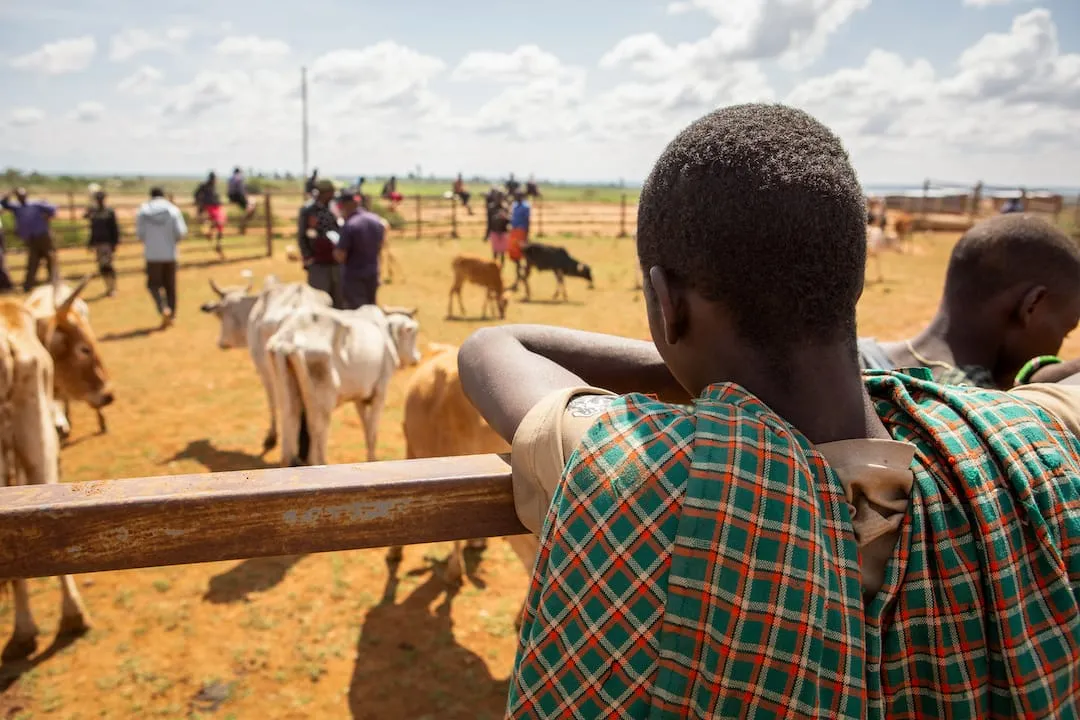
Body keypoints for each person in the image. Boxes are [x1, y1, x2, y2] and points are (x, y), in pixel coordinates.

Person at [458, 104, 1080, 718]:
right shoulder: (1025, 442)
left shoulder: (647, 472)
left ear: (665, 306)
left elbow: (495, 346)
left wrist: (689, 361)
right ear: (853, 282)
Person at [858, 214, 1080, 389]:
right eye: (1066, 330)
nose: (1060, 346)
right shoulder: (980, 417)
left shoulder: (855, 361)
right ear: (1031, 306)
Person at [135, 187, 187, 328]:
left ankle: (163, 308)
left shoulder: (143, 211)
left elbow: (140, 234)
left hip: (152, 255)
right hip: (170, 254)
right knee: (170, 286)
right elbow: (181, 232)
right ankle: (172, 314)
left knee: (153, 285)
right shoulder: (173, 210)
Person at [333, 189, 385, 309]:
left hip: (354, 277)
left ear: (346, 205)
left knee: (356, 313)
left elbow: (341, 255)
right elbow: (380, 245)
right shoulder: (376, 220)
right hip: (372, 273)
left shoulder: (350, 225)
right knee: (371, 309)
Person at [1, 187, 57, 292]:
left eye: (22, 195)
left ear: (26, 195)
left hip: (43, 236)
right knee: (32, 262)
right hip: (31, 239)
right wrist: (9, 193)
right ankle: (28, 286)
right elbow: (3, 203)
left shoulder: (36, 204)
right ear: (17, 197)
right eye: (18, 196)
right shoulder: (16, 207)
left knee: (50, 259)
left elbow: (53, 209)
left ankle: (53, 282)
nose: (21, 197)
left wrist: (48, 217)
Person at [297, 179, 342, 307]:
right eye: (332, 192)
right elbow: (302, 236)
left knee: (338, 298)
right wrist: (308, 257)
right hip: (317, 262)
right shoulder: (308, 210)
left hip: (335, 260)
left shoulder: (334, 208)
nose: (334, 194)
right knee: (319, 299)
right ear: (325, 193)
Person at [85, 189, 120, 297]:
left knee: (108, 265)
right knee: (101, 266)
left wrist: (114, 243)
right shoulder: (94, 212)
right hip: (98, 243)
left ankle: (113, 287)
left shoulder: (109, 212)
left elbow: (114, 228)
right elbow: (92, 228)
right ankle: (108, 287)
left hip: (107, 243)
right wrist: (91, 242)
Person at [194, 172, 225, 257]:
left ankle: (216, 242)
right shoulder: (204, 186)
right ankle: (211, 236)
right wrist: (200, 206)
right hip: (210, 207)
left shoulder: (213, 187)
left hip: (216, 207)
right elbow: (197, 195)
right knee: (218, 222)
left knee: (220, 224)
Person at [508, 191, 530, 290]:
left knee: (524, 257)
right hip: (514, 231)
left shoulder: (526, 206)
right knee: (515, 258)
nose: (516, 197)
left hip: (521, 232)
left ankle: (522, 280)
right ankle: (518, 279)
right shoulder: (514, 205)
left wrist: (526, 235)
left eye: (518, 195)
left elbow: (527, 220)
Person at [227, 167, 257, 234]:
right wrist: (245, 197)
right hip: (239, 197)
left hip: (231, 197)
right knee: (250, 207)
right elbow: (241, 190)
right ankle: (243, 224)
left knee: (248, 207)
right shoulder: (239, 178)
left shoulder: (230, 178)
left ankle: (243, 223)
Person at [488, 200, 510, 268]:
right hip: (495, 232)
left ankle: (501, 267)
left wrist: (505, 217)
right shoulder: (491, 207)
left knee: (502, 252)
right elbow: (490, 221)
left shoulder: (505, 207)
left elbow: (509, 221)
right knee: (495, 252)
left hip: (503, 233)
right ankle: (493, 267)